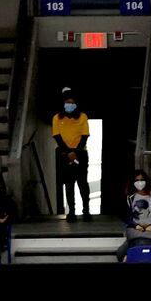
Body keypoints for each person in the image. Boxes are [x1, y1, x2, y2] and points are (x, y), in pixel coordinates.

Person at [51, 89, 91, 218]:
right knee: (69, 184)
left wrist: (75, 153)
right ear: (63, 104)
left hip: (81, 155)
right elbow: (57, 137)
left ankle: (86, 210)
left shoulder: (83, 117)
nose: (70, 105)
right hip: (65, 155)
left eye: (72, 103)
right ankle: (72, 212)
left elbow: (84, 136)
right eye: (67, 102)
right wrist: (69, 153)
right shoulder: (57, 118)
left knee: (82, 183)